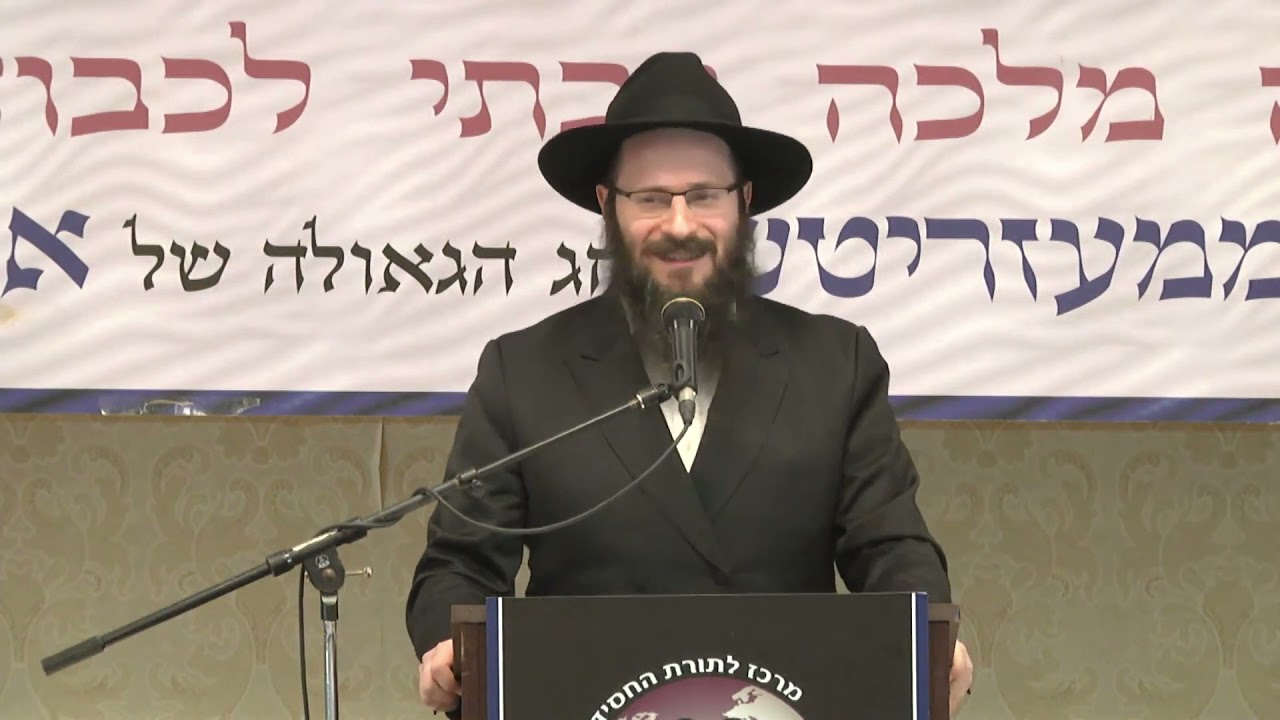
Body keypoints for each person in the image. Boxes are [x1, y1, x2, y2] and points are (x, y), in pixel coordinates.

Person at [405, 51, 973, 716]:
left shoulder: (835, 363)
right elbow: (461, 564)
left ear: (744, 202)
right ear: (607, 206)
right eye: (650, 199)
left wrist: (927, 636)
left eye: (705, 196)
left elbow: (891, 547)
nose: (679, 226)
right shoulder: (524, 369)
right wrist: (451, 646)